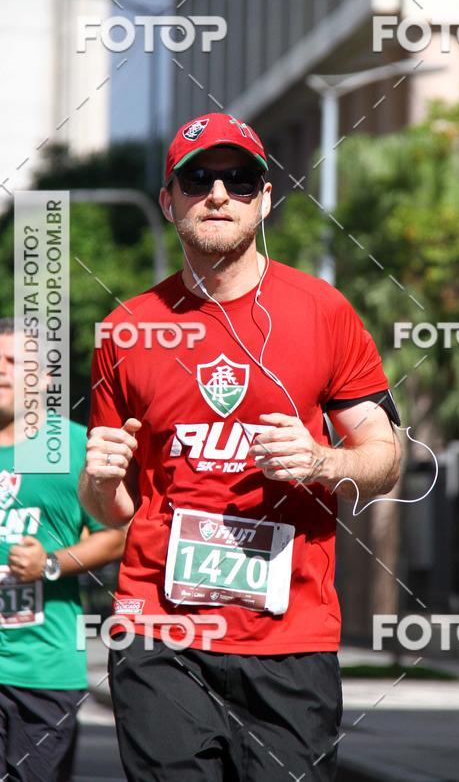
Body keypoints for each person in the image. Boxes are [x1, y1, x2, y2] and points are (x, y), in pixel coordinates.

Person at [79, 111, 403, 781]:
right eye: (197, 179)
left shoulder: (323, 312)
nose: (218, 194)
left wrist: (323, 461)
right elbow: (116, 509)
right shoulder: (126, 329)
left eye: (240, 179)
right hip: (160, 631)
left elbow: (386, 456)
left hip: (289, 639)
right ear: (169, 200)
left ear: (265, 197)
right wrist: (96, 481)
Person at [0, 317, 126, 781]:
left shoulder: (75, 447)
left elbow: (117, 534)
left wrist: (49, 563)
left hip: (43, 669)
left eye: (15, 362)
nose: (2, 371)